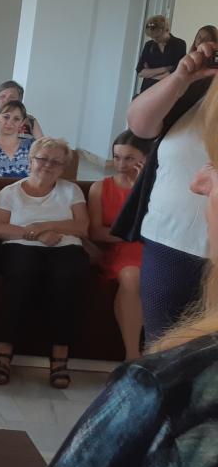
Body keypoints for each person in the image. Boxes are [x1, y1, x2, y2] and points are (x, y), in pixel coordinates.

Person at [0, 164, 218, 467]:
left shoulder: (171, 391)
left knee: (67, 272)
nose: (198, 182)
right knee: (25, 269)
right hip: (24, 250)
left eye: (215, 163)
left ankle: (58, 358)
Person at [113, 41, 216, 346]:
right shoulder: (198, 87)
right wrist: (181, 77)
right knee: (161, 348)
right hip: (169, 241)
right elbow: (139, 125)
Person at [0, 137, 88, 389]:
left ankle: (60, 357)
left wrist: (44, 226)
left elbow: (82, 227)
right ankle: (4, 353)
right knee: (20, 276)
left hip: (65, 248)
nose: (48, 165)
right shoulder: (9, 193)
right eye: (43, 159)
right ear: (31, 160)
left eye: (56, 162)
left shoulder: (71, 191)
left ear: (63, 167)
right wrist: (35, 235)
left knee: (67, 280)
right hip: (20, 247)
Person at [89, 131, 151, 360]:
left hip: (150, 248)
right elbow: (96, 232)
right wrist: (131, 234)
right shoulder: (100, 188)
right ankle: (132, 355)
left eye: (129, 158)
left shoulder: (155, 188)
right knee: (131, 276)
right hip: (119, 250)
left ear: (145, 159)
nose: (121, 164)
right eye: (117, 157)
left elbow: (157, 226)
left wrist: (141, 188)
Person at [0, 80, 44, 144]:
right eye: (2, 97)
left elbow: (42, 146)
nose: (6, 101)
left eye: (12, 97)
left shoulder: (31, 120)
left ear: (19, 102)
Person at [137, 15, 187, 94]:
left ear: (166, 30)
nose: (154, 39)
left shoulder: (179, 44)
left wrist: (150, 74)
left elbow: (178, 71)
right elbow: (140, 71)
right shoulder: (149, 45)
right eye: (152, 37)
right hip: (147, 89)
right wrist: (165, 69)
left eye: (157, 36)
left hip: (168, 89)